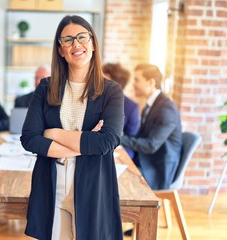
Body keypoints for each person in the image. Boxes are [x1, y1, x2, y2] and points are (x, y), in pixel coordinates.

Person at [20, 15, 124, 240]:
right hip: (51, 184)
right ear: (60, 49)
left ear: (93, 43)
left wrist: (54, 133)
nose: (76, 44)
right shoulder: (46, 88)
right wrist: (85, 142)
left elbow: (107, 141)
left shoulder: (111, 91)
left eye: (82, 37)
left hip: (93, 186)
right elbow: (29, 138)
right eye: (67, 40)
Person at [121, 63, 182, 190]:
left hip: (157, 170)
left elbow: (151, 145)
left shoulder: (166, 109)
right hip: (146, 161)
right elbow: (141, 137)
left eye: (137, 80)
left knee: (116, 176)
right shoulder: (151, 105)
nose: (133, 84)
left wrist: (118, 138)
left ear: (151, 82)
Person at [103, 63, 140, 158]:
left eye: (104, 81)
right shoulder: (94, 99)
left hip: (119, 152)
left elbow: (131, 137)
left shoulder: (131, 107)